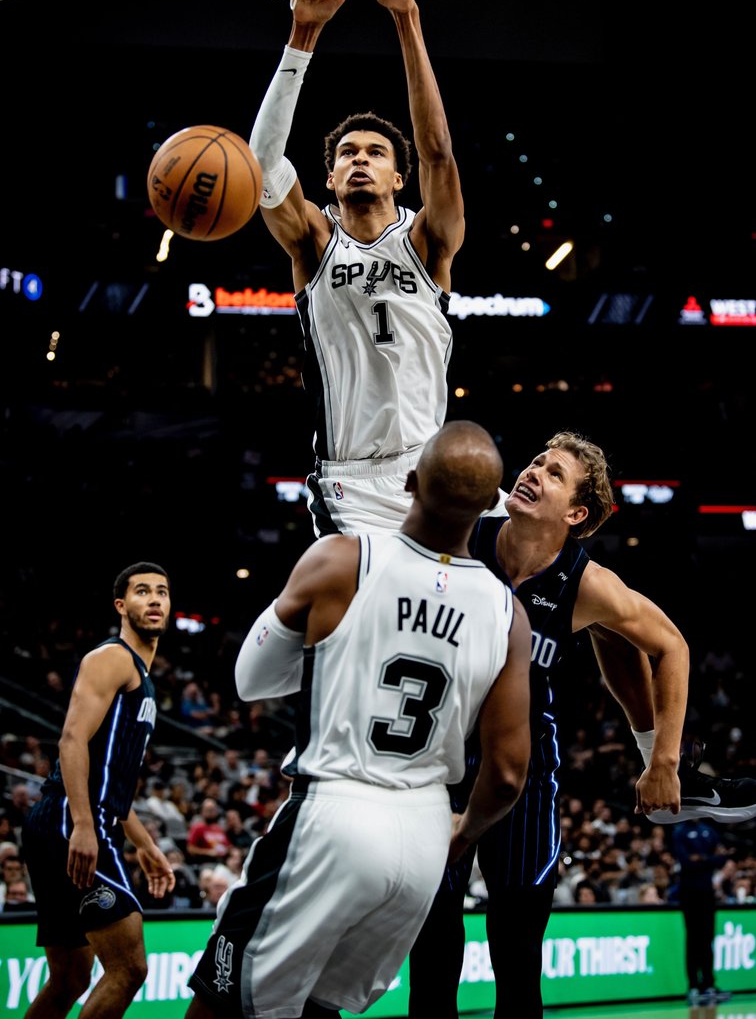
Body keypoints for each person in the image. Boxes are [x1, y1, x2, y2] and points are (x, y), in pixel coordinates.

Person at [408, 431, 756, 1019]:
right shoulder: (461, 533)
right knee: (432, 958)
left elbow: (673, 646)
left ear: (576, 513)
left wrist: (661, 763)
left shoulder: (587, 583)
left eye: (553, 474)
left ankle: (678, 775)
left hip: (524, 776)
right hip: (438, 764)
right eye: (534, 462)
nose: (532, 473)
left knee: (518, 959)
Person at [184, 420, 532, 1019]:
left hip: (336, 815)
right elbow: (506, 773)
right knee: (321, 1008)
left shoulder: (345, 558)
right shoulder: (509, 614)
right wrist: (464, 833)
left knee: (224, 1004)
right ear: (487, 507)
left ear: (411, 481)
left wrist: (350, 649)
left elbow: (251, 681)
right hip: (424, 839)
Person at [248, 0, 464, 537]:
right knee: (362, 619)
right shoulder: (314, 242)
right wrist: (303, 35)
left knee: (527, 586)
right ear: (331, 179)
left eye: (375, 153)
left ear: (400, 179)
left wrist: (406, 16)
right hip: (353, 484)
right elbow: (260, 164)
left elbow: (439, 153)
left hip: (435, 471)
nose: (360, 158)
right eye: (348, 153)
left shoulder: (426, 241)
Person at [21, 562, 176, 1019]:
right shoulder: (112, 659)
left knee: (71, 977)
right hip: (71, 818)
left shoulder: (142, 679)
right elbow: (71, 740)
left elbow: (109, 781)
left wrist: (145, 844)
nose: (154, 599)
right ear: (120, 605)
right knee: (129, 968)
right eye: (142, 591)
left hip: (61, 819)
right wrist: (84, 826)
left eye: (162, 592)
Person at [671, 818, 733, 1004]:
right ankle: (693, 986)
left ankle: (709, 984)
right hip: (689, 892)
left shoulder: (709, 830)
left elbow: (722, 859)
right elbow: (686, 862)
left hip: (707, 892)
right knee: (693, 939)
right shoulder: (679, 831)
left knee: (708, 938)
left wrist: (702, 859)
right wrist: (708, 860)